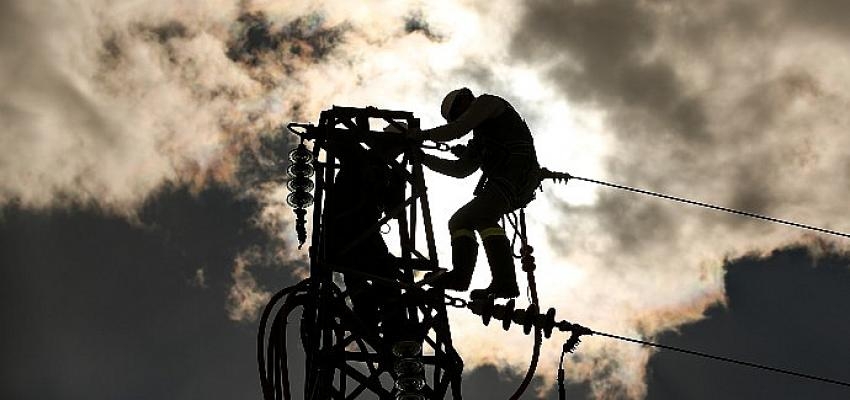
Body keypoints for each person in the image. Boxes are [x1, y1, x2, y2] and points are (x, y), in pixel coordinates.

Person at [417, 88, 540, 299]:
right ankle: (468, 278)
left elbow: (457, 129)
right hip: (511, 181)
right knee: (461, 222)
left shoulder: (489, 103)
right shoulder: (480, 138)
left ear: (465, 98)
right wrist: (424, 159)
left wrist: (420, 136)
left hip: (516, 175)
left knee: (481, 216)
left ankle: (503, 282)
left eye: (458, 114)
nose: (461, 118)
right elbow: (460, 170)